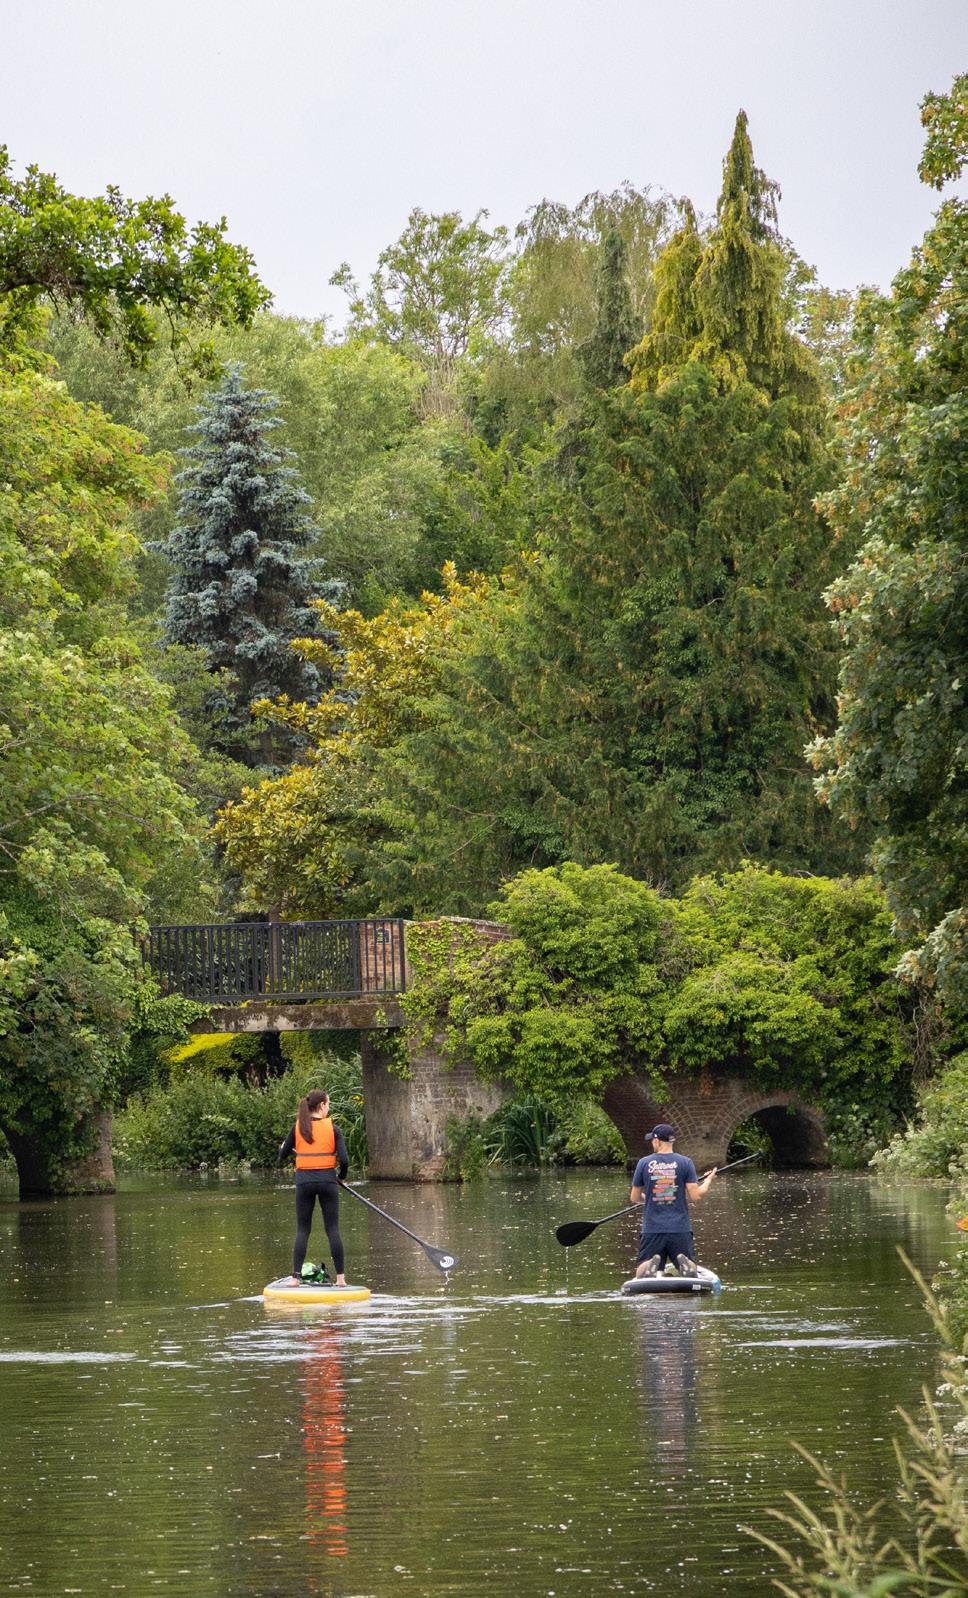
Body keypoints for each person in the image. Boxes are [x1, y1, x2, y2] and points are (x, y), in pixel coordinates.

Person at [278, 1089, 350, 1286]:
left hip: (305, 1183)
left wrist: (283, 1146)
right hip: (328, 1182)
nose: (328, 1108)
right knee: (332, 1229)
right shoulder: (334, 1129)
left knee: (303, 1230)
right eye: (328, 1104)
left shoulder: (297, 1128)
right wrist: (341, 1177)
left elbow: (282, 1156)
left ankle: (295, 1279)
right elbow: (344, 1160)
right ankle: (341, 1279)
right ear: (321, 1105)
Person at [629, 1123, 716, 1278]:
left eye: (652, 1140)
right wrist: (708, 1181)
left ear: (657, 1141)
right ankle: (686, 1265)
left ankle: (650, 1266)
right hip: (680, 1228)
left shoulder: (644, 1163)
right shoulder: (685, 1162)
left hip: (652, 1229)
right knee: (690, 1266)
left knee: (641, 1270)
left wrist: (648, 1199)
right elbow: (696, 1195)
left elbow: (634, 1197)